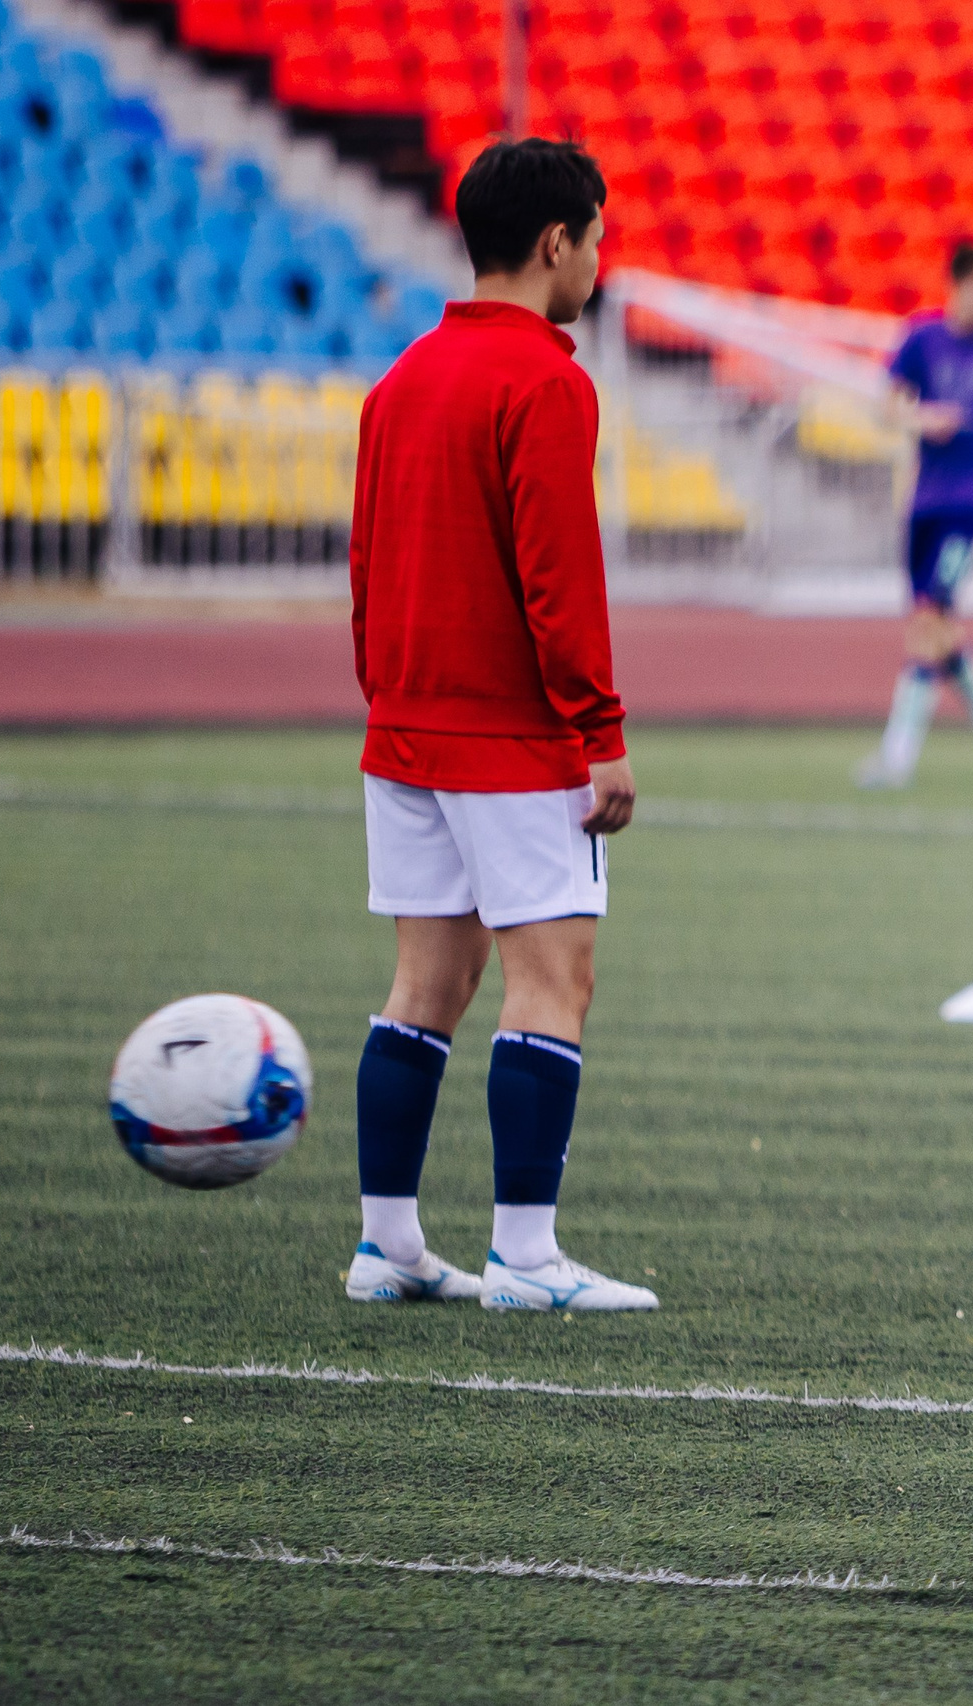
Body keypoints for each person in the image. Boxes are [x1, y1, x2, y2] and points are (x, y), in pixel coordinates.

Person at [343, 137, 656, 1313]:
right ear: (554, 243)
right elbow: (558, 576)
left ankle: (389, 1242)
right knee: (552, 980)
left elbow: (366, 567)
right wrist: (601, 729)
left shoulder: (401, 380)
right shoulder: (546, 383)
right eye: (599, 233)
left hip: (407, 729)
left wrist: (389, 698)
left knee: (424, 982)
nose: (601, 255)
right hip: (513, 740)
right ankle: (527, 1256)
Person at [856, 242, 973, 789]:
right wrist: (922, 419)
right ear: (959, 285)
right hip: (923, 502)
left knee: (928, 623)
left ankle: (898, 757)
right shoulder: (922, 338)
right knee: (931, 625)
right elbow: (886, 405)